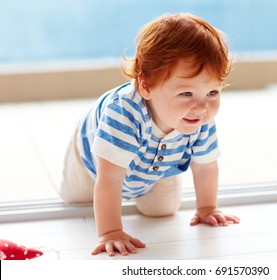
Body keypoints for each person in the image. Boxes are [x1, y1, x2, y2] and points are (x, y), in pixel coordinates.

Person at [60, 13, 240, 257]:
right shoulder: (123, 112)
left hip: (157, 167)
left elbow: (206, 166)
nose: (201, 107)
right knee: (77, 198)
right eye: (186, 93)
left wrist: (207, 207)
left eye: (212, 92)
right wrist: (110, 232)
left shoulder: (201, 116)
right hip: (94, 165)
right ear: (145, 86)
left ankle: (144, 187)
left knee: (162, 211)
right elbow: (110, 178)